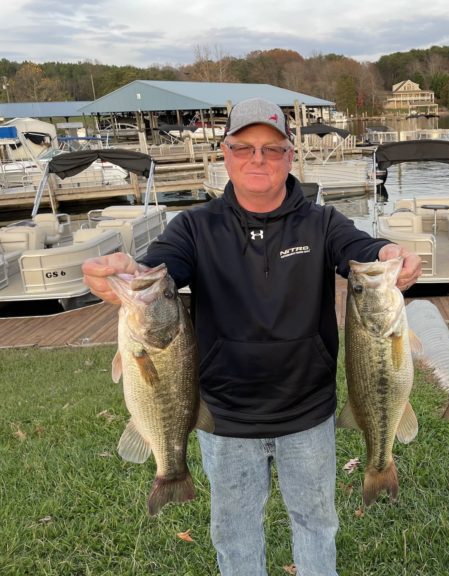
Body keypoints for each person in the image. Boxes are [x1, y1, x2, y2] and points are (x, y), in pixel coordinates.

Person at [82, 97, 421, 576]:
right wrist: (123, 270)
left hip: (307, 411)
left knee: (316, 523)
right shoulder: (195, 227)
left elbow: (359, 249)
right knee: (236, 532)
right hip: (225, 417)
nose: (257, 159)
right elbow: (158, 268)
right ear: (225, 154)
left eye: (271, 149)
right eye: (244, 148)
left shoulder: (322, 223)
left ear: (289, 156)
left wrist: (389, 251)